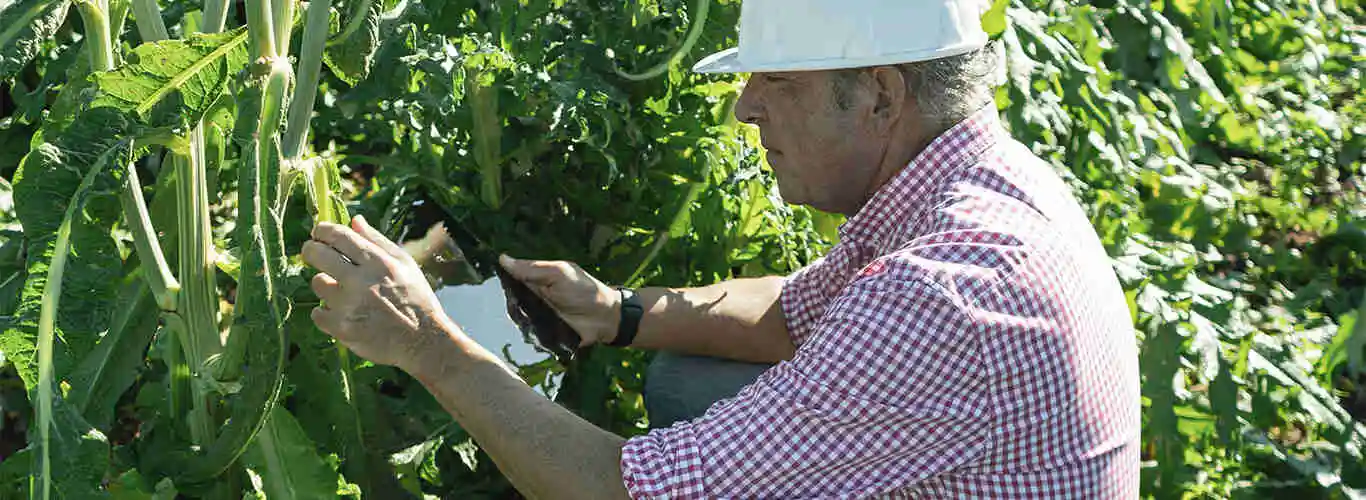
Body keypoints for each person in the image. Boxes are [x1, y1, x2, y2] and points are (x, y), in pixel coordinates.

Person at [300, 0, 1142, 497]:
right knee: (684, 374)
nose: (746, 107)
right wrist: (617, 314)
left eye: (778, 80)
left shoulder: (947, 294)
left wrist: (427, 344)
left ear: (881, 95)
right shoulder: (976, 183)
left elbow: (623, 494)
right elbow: (791, 316)